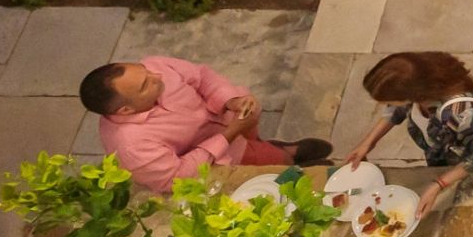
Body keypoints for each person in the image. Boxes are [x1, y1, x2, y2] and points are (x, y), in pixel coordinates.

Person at [79, 56, 329, 191]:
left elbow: (202, 77)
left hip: (232, 122)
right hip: (224, 155)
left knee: (258, 142)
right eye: (146, 84)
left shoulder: (155, 67)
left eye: (145, 71)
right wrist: (230, 135)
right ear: (125, 109)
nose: (156, 75)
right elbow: (176, 177)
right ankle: (296, 165)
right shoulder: (131, 146)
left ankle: (281, 148)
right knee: (270, 163)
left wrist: (231, 100)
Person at [338, 51, 473, 224]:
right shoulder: (423, 79)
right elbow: (398, 108)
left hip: (464, 154)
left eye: (388, 100)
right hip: (442, 150)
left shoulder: (458, 115)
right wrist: (368, 143)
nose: (384, 105)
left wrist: (440, 184)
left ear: (416, 96)